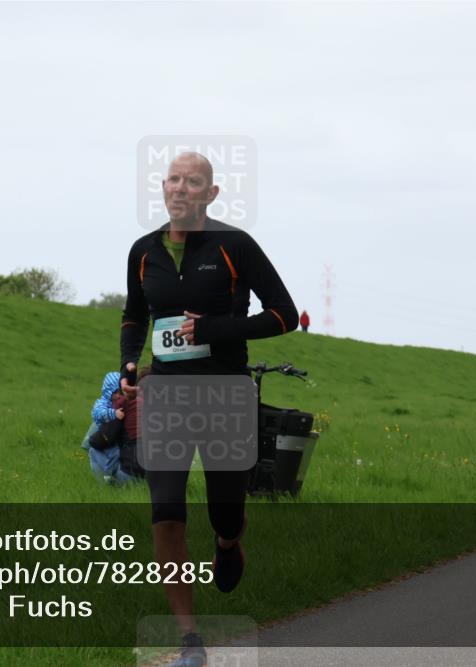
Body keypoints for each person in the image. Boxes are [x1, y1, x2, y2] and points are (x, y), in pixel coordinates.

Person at [120, 152, 298, 666]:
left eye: (192, 182)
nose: (180, 188)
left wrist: (217, 329)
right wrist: (131, 369)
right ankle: (189, 642)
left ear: (211, 194)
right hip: (168, 397)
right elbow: (135, 316)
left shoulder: (234, 246)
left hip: (225, 393)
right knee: (166, 512)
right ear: (163, 188)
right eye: (173, 179)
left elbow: (284, 316)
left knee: (225, 508)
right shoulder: (143, 252)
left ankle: (227, 541)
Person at [83, 371, 140, 485]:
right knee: (113, 453)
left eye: (120, 392)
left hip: (108, 436)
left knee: (114, 453)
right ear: (108, 391)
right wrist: (113, 413)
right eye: (116, 393)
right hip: (104, 433)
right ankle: (108, 475)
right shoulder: (102, 403)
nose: (118, 396)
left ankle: (107, 476)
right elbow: (98, 413)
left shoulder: (118, 403)